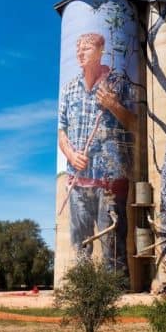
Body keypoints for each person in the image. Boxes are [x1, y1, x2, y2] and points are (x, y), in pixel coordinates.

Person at [58, 32, 136, 273]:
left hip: (110, 181)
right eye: (78, 48)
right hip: (78, 181)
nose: (80, 53)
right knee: (79, 244)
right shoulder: (70, 88)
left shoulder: (117, 82)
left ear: (101, 50)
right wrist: (70, 155)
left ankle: (115, 295)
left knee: (112, 243)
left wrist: (113, 104)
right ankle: (83, 294)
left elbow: (136, 123)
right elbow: (61, 131)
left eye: (87, 48)